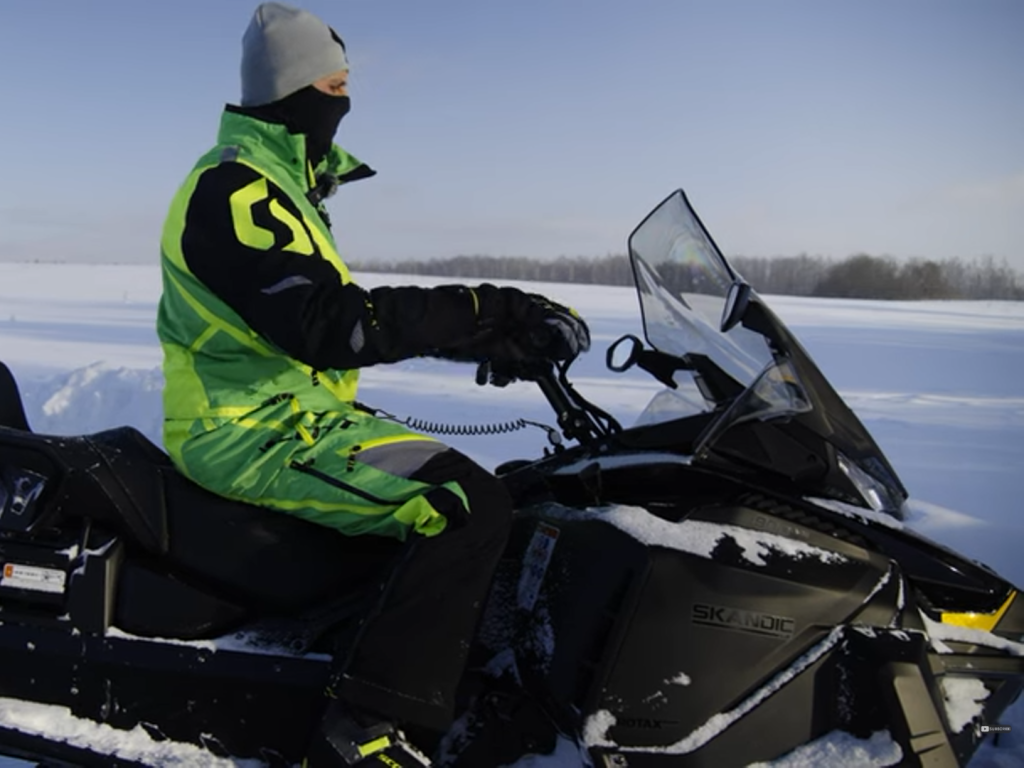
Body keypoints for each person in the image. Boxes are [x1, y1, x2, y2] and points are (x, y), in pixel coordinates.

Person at [156, 3, 589, 766]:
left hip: (295, 414)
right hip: (247, 429)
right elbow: (329, 325)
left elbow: (339, 333)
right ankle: (363, 730)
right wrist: (482, 308)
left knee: (518, 494)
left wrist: (491, 341)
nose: (345, 101)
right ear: (294, 91)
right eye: (335, 84)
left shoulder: (281, 188)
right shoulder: (236, 192)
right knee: (463, 504)